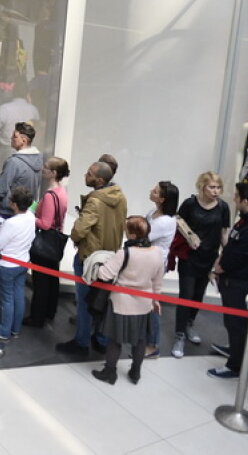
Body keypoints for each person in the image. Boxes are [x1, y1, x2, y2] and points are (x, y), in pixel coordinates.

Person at [58, 161, 127, 355]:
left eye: (89, 173)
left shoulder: (95, 201)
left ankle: (81, 342)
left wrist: (74, 237)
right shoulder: (120, 196)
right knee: (102, 300)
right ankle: (101, 339)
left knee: (85, 302)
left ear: (99, 180)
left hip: (90, 257)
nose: (84, 175)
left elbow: (80, 229)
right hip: (110, 256)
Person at [90, 216, 165, 386]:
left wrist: (100, 265)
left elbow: (104, 274)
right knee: (140, 341)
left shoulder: (125, 253)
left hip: (120, 303)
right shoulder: (157, 252)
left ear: (132, 235)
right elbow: (157, 280)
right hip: (144, 303)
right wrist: (156, 300)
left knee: (114, 340)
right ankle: (135, 372)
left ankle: (110, 372)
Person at [207, 183, 248, 379]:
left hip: (237, 281)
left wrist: (219, 267)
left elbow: (239, 256)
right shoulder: (246, 220)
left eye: (237, 196)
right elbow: (232, 246)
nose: (234, 198)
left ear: (245, 201)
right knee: (231, 320)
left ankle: (235, 365)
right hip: (230, 278)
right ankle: (235, 348)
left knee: (236, 323)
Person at [171, 172, 231, 358]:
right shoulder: (190, 204)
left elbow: (223, 233)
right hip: (189, 257)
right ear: (202, 187)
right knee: (186, 295)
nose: (215, 191)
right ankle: (179, 335)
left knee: (198, 295)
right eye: (212, 187)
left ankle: (189, 324)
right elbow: (178, 224)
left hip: (209, 257)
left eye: (218, 187)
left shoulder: (223, 207)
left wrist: (226, 256)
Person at [0, 185, 37, 344]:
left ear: (15, 204)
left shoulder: (11, 223)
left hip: (8, 265)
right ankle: (15, 329)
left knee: (6, 299)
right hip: (23, 262)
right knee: (18, 296)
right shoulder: (30, 216)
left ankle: (3, 331)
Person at [28, 157, 69, 328]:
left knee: (42, 283)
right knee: (52, 280)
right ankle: (49, 312)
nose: (42, 169)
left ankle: (37, 317)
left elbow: (45, 223)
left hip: (45, 244)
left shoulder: (51, 195)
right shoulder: (61, 191)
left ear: (53, 173)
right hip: (55, 242)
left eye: (46, 167)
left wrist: (31, 217)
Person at [144, 180, 178, 357]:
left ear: (163, 199)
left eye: (156, 191)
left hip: (155, 265)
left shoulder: (164, 221)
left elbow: (144, 235)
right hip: (149, 261)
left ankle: (153, 344)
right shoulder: (154, 212)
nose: (152, 191)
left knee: (152, 304)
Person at [0, 121, 43, 224]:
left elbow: (0, 189)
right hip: (25, 214)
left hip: (6, 214)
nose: (11, 138)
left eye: (14, 136)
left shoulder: (14, 162)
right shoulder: (39, 161)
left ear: (24, 140)